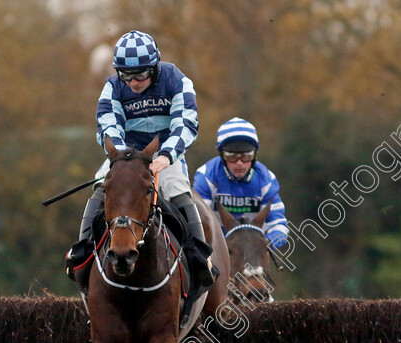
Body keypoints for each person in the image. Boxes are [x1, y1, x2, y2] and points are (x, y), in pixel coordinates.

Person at [65, 31, 215, 303]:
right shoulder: (112, 87)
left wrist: (167, 155)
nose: (133, 82)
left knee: (179, 192)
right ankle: (82, 254)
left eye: (140, 75)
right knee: (100, 190)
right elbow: (108, 126)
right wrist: (124, 158)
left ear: (155, 68)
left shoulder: (177, 80)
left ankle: (197, 258)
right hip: (126, 157)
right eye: (126, 76)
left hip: (164, 156)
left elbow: (186, 122)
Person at [193, 118, 289, 248]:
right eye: (231, 156)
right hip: (217, 246)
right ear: (222, 156)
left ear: (254, 156)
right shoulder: (206, 176)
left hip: (254, 248)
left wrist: (264, 245)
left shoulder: (266, 180)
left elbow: (278, 225)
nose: (239, 163)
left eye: (246, 156)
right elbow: (200, 223)